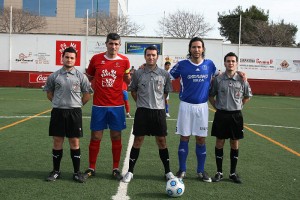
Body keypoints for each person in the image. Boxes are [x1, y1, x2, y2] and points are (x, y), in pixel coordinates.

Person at [122, 45, 175, 183]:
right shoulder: (138, 73)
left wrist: (157, 104)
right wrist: (141, 103)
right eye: (148, 55)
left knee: (162, 141)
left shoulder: (164, 74)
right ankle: (130, 171)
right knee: (138, 140)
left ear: (157, 56)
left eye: (153, 55)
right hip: (142, 112)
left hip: (158, 112)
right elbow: (133, 91)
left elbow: (165, 93)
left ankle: (168, 171)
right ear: (145, 56)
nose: (151, 57)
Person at [169, 37, 219, 182]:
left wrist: (240, 75)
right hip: (185, 106)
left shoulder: (210, 65)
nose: (196, 50)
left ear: (203, 49)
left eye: (199, 47)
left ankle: (200, 171)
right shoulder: (182, 65)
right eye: (193, 47)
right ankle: (182, 170)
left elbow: (220, 77)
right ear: (189, 49)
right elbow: (167, 76)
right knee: (184, 137)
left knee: (201, 139)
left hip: (202, 107)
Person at [84, 33, 131, 181]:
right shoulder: (96, 59)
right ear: (106, 44)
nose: (113, 46)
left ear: (119, 45)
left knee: (116, 136)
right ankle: (91, 168)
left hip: (117, 106)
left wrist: (129, 79)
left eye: (116, 44)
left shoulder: (125, 61)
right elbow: (89, 77)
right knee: (96, 136)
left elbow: (127, 79)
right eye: (111, 43)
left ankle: (115, 169)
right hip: (99, 105)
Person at [43, 47, 93, 183]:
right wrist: (58, 103)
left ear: (75, 59)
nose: (69, 59)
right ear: (62, 58)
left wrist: (77, 105)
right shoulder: (54, 76)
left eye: (72, 57)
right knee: (57, 141)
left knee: (74, 142)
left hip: (74, 112)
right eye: (67, 57)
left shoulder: (81, 76)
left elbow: (87, 95)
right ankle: (56, 171)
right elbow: (49, 93)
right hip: (58, 111)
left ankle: (77, 172)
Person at [209, 52, 252, 184]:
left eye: (233, 61)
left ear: (237, 63)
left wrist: (239, 106)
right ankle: (219, 172)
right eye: (228, 61)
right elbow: (211, 96)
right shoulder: (218, 79)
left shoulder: (242, 79)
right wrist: (218, 108)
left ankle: (233, 173)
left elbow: (247, 96)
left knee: (234, 142)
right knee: (219, 142)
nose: (231, 63)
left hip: (236, 115)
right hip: (221, 114)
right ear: (225, 63)